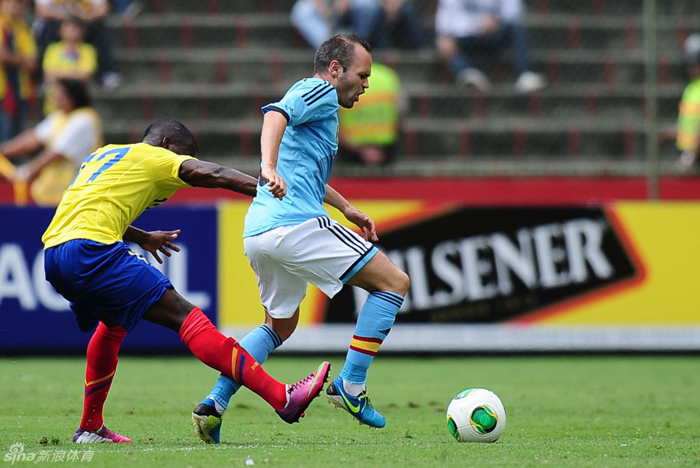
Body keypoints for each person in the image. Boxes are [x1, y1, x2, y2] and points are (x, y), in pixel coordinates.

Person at [41, 117, 331, 444]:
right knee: (186, 316)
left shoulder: (105, 154)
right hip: (92, 250)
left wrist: (141, 236)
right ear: (167, 143)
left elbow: (87, 204)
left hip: (54, 251)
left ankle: (90, 427)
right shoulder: (157, 156)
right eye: (183, 154)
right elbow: (216, 174)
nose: (183, 162)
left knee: (112, 325)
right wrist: (267, 189)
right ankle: (282, 398)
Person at [192, 34, 410, 444]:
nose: (366, 84)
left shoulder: (319, 104)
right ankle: (352, 386)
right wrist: (268, 166)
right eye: (362, 75)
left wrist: (345, 207)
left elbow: (307, 172)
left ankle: (214, 404)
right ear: (334, 69)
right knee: (394, 284)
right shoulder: (319, 91)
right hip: (294, 225)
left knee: (279, 325)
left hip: (260, 231)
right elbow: (275, 116)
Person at [0, 78, 100, 206]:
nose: (55, 97)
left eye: (61, 93)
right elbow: (33, 139)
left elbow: (56, 153)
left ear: (74, 95)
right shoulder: (59, 116)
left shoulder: (84, 119)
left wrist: (25, 173)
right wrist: (2, 150)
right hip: (50, 194)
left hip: (75, 195)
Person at [435, 0, 545, 93]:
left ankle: (524, 74)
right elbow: (447, 15)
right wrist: (475, 25)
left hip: (494, 34)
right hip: (464, 36)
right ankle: (466, 73)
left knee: (516, 29)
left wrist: (495, 19)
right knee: (444, 41)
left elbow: (514, 12)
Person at [33, 0, 120, 89]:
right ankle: (44, 77)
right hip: (57, 21)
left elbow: (103, 9)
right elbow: (42, 10)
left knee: (101, 28)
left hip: (85, 21)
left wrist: (84, 16)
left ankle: (106, 74)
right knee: (46, 29)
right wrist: (68, 17)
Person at [291, 0, 425, 50]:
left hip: (358, 8)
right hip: (327, 8)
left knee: (368, 6)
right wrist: (323, 6)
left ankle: (357, 47)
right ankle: (331, 46)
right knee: (301, 10)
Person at [338, 61, 402, 165]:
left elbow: (333, 123)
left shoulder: (344, 79)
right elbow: (399, 115)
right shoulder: (389, 76)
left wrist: (360, 151)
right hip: (386, 150)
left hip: (350, 152)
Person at [42, 16, 97, 114]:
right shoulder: (52, 49)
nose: (71, 31)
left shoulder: (88, 50)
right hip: (55, 102)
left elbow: (85, 75)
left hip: (79, 102)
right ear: (60, 31)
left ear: (82, 31)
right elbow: (49, 75)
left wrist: (60, 74)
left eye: (75, 28)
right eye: (67, 28)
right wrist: (75, 75)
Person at [0, 0, 37, 143]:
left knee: (15, 136)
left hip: (20, 91)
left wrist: (12, 56)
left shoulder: (24, 30)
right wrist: (22, 58)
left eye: (20, 4)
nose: (15, 8)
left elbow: (32, 63)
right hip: (3, 91)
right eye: (12, 3)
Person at [675, 34, 700, 171]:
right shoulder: (691, 88)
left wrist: (690, 156)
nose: (691, 67)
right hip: (688, 151)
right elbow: (688, 123)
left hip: (694, 155)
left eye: (695, 63)